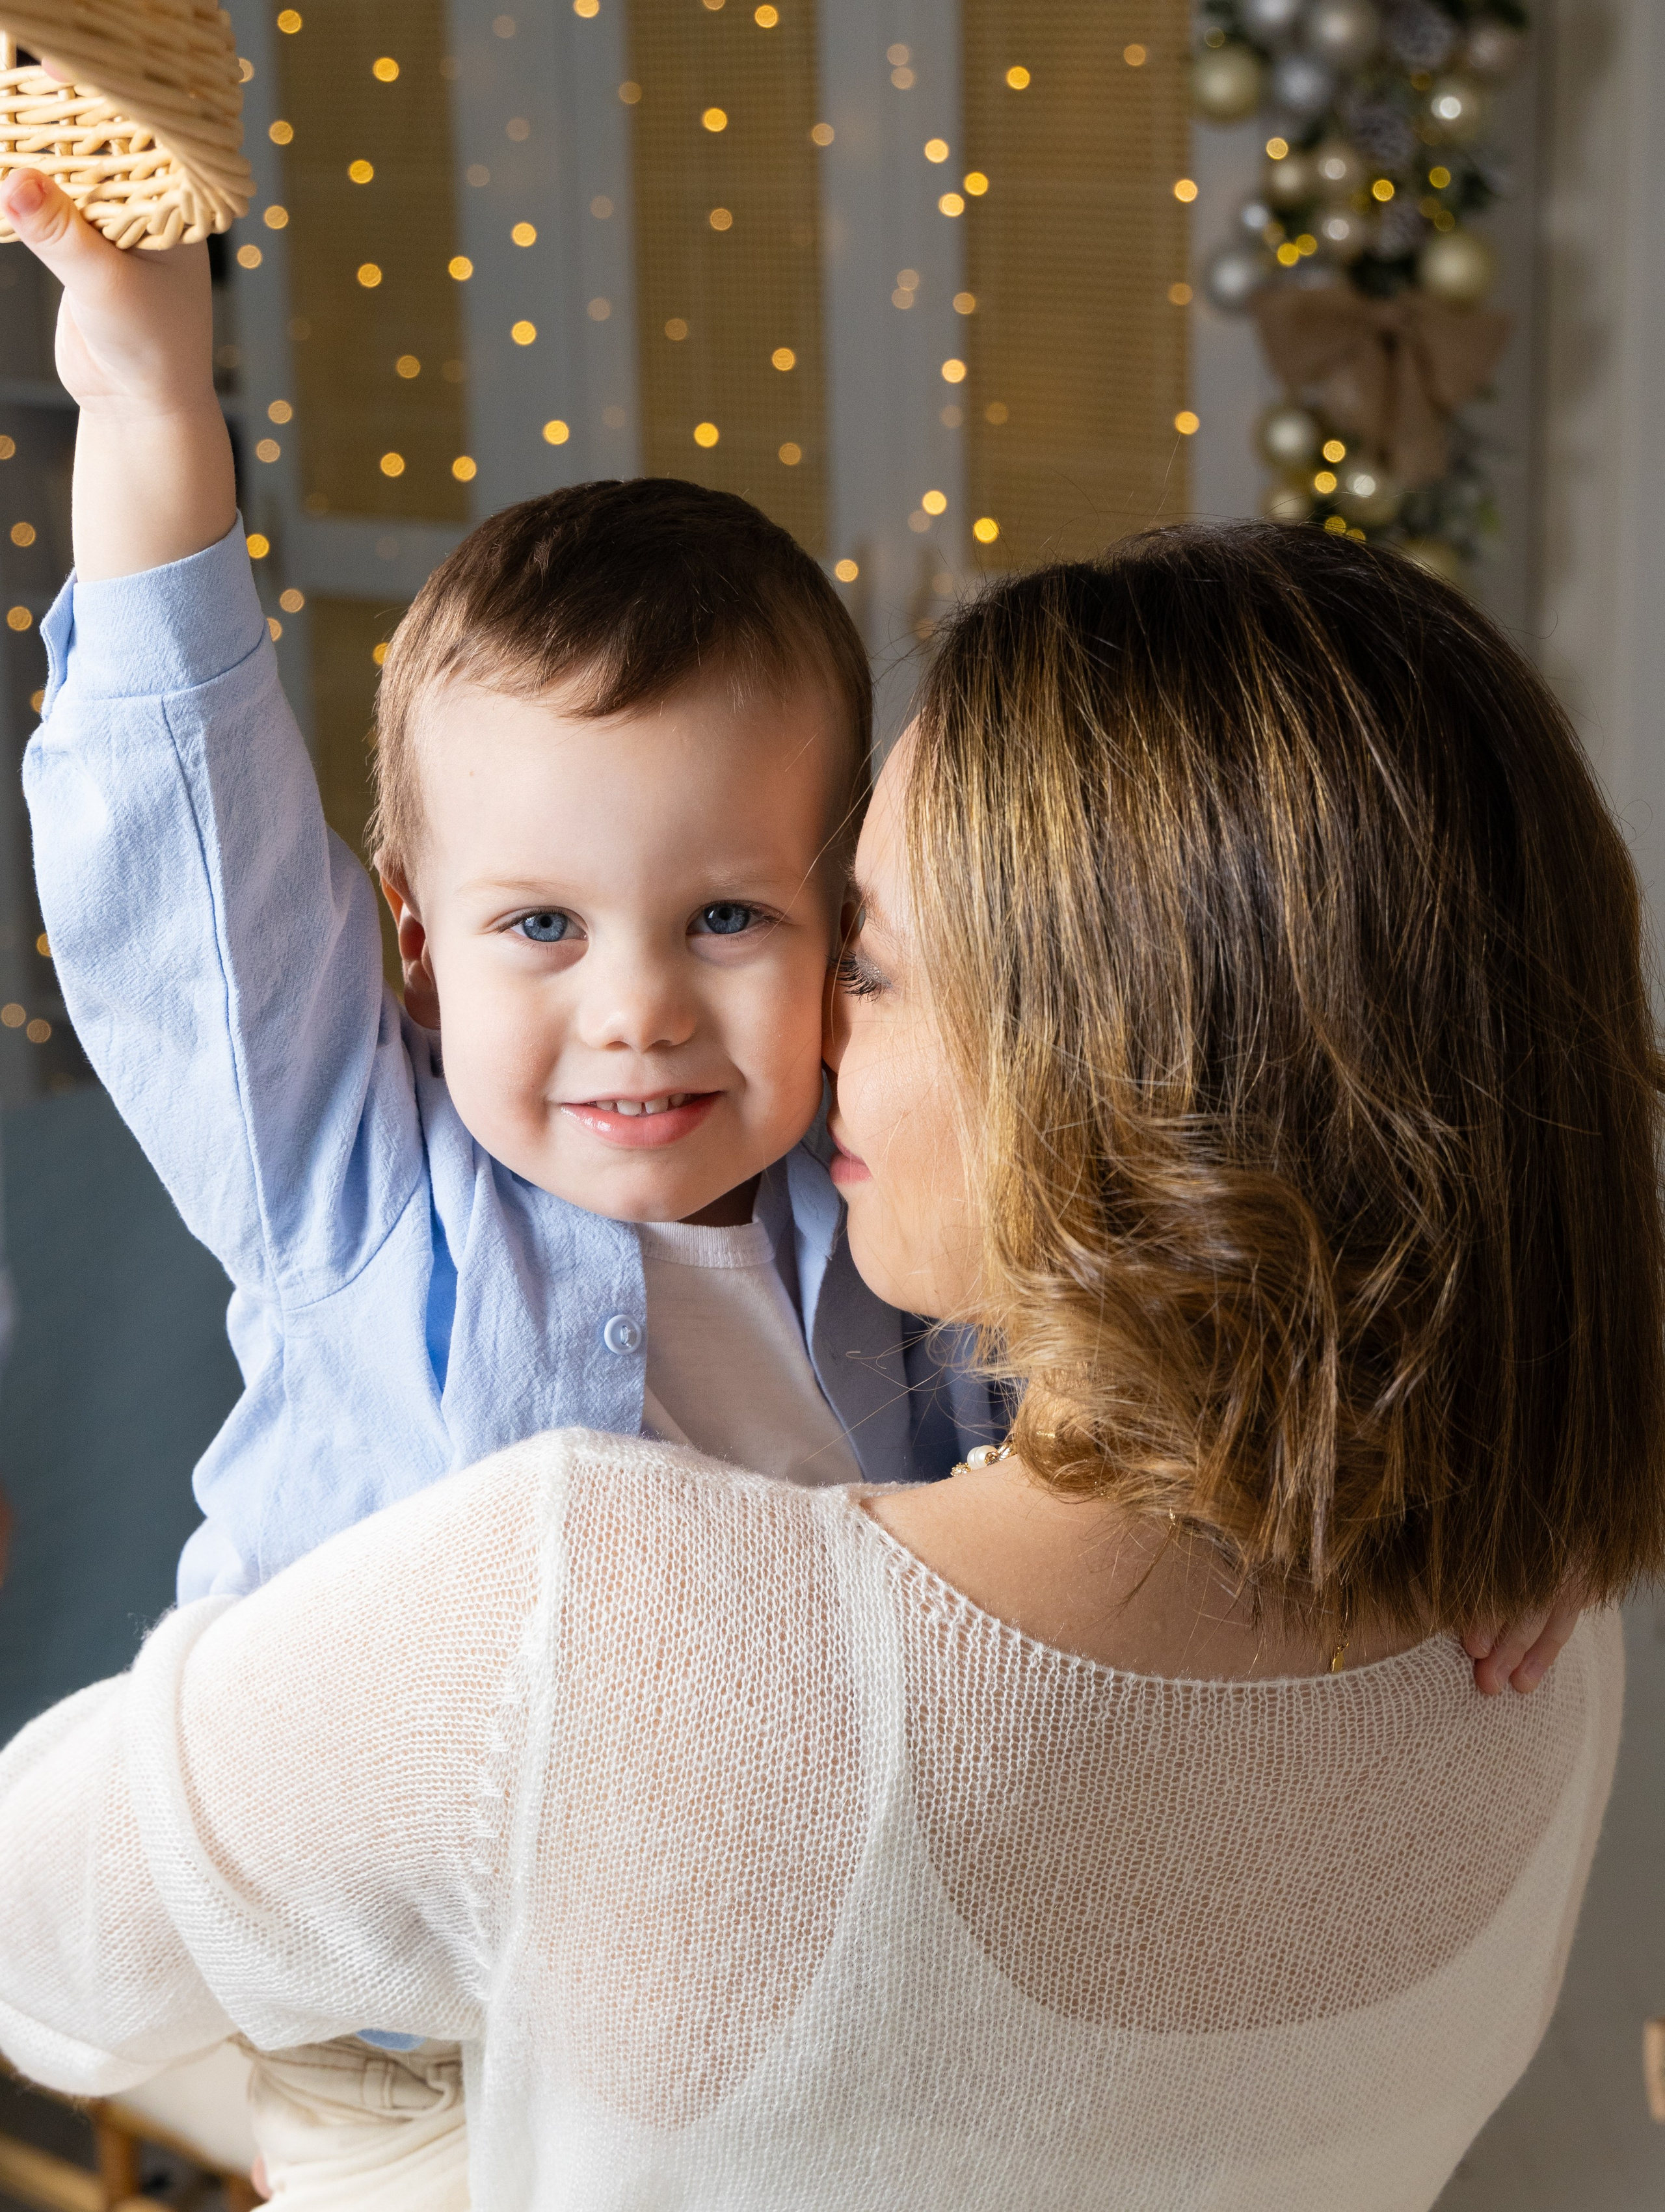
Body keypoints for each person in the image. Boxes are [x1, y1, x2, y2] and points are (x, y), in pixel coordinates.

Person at [1, 518, 1657, 2211]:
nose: (761, 1021)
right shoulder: (1528, 1638)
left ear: (1098, 1074)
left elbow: (37, 1936)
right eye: (545, 923)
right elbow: (193, 892)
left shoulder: (572, 1610)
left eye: (840, 951)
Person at [8, 165, 995, 1621]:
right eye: (543, 925)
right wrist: (152, 406)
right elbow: (189, 845)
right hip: (341, 1767)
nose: (638, 1012)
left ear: (843, 934)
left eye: (726, 918)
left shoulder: (907, 1229)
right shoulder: (352, 1172)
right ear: (418, 945)